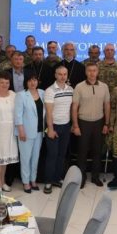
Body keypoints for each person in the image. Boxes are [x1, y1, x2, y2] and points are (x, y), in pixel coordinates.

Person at [71, 62, 110, 188]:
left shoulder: (104, 86)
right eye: (89, 70)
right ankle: (81, 178)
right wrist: (75, 125)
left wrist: (106, 123)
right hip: (83, 123)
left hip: (99, 122)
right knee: (82, 152)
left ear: (98, 72)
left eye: (94, 70)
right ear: (85, 72)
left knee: (97, 152)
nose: (92, 73)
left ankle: (95, 177)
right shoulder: (79, 87)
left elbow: (107, 105)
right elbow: (74, 107)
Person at [43, 65, 73, 194]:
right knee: (52, 155)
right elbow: (48, 112)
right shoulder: (50, 91)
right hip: (53, 126)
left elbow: (71, 108)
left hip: (66, 126)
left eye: (64, 74)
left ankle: (57, 178)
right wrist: (50, 129)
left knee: (61, 155)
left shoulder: (70, 89)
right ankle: (48, 182)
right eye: (60, 74)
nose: (62, 77)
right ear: (55, 75)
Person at [15, 72, 45, 193]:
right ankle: (26, 182)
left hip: (39, 131)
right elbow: (18, 115)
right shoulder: (21, 95)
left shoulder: (42, 93)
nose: (33, 82)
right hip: (25, 132)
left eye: (35, 80)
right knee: (25, 158)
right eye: (30, 80)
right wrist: (21, 131)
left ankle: (33, 180)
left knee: (35, 157)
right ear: (26, 82)